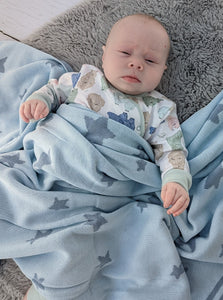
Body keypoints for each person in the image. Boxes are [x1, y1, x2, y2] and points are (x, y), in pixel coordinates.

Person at [21, 13, 192, 300]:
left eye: (150, 61)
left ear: (163, 69)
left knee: (86, 242)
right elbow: (54, 90)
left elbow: (172, 149)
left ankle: (50, 288)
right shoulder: (85, 80)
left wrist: (176, 179)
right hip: (56, 168)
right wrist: (40, 101)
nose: (136, 63)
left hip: (103, 193)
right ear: (104, 54)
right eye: (125, 53)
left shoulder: (159, 110)